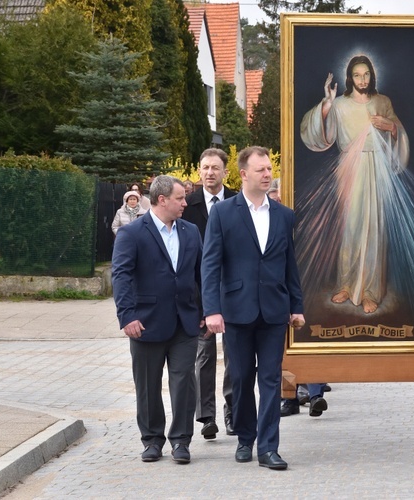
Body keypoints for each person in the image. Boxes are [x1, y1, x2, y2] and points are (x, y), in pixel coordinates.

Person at [202, 146, 304, 471]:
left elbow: (291, 266)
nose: (267, 174)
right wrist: (212, 309)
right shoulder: (223, 213)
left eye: (269, 168)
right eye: (260, 169)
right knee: (243, 377)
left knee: (271, 379)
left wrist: (297, 306)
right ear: (243, 174)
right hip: (236, 309)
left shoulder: (284, 215)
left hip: (274, 310)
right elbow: (210, 264)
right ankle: (245, 437)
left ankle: (269, 447)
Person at [300, 54, 412, 315]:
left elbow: (399, 134)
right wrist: (327, 104)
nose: (362, 79)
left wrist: (391, 127)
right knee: (350, 228)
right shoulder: (339, 105)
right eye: (357, 75)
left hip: (376, 169)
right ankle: (347, 285)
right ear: (349, 78)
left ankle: (371, 291)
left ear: (372, 75)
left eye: (366, 74)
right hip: (349, 170)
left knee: (374, 229)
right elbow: (318, 132)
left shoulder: (382, 102)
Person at [111, 175, 203, 464]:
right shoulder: (133, 233)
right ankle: (152, 440)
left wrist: (205, 310)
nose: (185, 203)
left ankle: (181, 441)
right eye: (180, 198)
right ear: (162, 200)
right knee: (148, 385)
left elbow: (201, 274)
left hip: (185, 322)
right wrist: (126, 316)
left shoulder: (191, 232)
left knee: (184, 382)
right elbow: (121, 276)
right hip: (145, 322)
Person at [181, 148, 238, 440]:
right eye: (205, 167)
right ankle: (206, 417)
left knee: (233, 354)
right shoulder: (187, 206)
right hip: (199, 292)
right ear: (199, 171)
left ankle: (232, 411)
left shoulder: (239, 202)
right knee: (203, 354)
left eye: (216, 168)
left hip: (233, 290)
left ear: (225, 172)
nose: (210, 173)